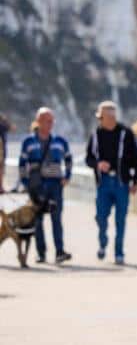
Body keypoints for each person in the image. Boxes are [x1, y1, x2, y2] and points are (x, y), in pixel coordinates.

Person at [85, 101, 137, 264]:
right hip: (103, 183)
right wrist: (98, 164)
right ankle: (102, 243)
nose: (102, 120)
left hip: (121, 182)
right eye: (101, 117)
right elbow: (88, 158)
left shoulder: (126, 133)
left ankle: (119, 252)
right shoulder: (95, 134)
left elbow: (136, 160)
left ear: (112, 117)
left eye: (105, 117)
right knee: (101, 217)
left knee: (120, 220)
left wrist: (135, 181)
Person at [18, 107, 73, 263]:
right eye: (47, 120)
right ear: (38, 121)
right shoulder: (28, 141)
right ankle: (41, 253)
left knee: (57, 218)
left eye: (51, 120)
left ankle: (59, 251)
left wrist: (67, 176)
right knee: (38, 220)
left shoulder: (60, 141)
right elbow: (22, 163)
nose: (50, 124)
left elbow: (69, 159)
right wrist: (25, 182)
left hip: (56, 184)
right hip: (37, 186)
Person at [0, 113, 13, 193]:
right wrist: (5, 120)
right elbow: (11, 128)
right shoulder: (2, 126)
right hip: (1, 148)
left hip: (2, 148)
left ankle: (1, 186)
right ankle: (0, 187)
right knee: (1, 168)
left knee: (1, 168)